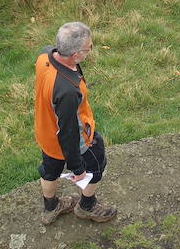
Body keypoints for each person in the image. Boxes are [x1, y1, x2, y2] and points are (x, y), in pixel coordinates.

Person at [33, 21, 118, 224]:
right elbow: (69, 133)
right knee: (97, 166)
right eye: (88, 48)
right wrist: (78, 170)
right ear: (75, 55)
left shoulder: (44, 56)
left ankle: (51, 207)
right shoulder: (67, 91)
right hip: (77, 140)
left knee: (49, 170)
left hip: (46, 134)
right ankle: (87, 206)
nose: (90, 51)